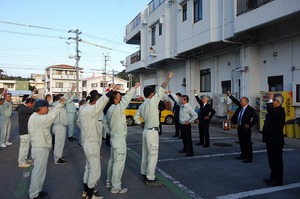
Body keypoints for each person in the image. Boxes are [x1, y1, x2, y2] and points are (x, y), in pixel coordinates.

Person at [80, 84, 120, 199]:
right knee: (95, 171)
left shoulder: (85, 109)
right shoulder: (91, 110)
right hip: (91, 143)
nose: (101, 107)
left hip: (88, 143)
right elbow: (101, 102)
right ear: (94, 102)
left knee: (88, 167)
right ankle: (90, 195)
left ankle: (86, 191)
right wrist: (111, 91)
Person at [134, 72, 173, 186]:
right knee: (152, 155)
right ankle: (150, 178)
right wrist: (168, 78)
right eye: (154, 93)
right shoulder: (153, 101)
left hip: (146, 131)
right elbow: (162, 87)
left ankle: (144, 172)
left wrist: (140, 123)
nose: (155, 94)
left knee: (145, 153)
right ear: (151, 94)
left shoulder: (142, 105)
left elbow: (136, 117)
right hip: (152, 132)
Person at [28, 98, 66, 199]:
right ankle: (33, 195)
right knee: (38, 172)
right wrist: (60, 105)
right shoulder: (38, 119)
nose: (48, 110)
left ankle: (37, 190)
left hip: (41, 147)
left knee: (40, 172)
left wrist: (59, 105)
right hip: (39, 148)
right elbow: (51, 117)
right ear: (41, 108)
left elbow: (50, 115)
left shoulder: (36, 116)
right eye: (46, 108)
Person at [106, 82, 140, 194]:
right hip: (119, 139)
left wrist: (110, 132)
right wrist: (134, 88)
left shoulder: (109, 110)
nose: (121, 100)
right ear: (115, 100)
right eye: (119, 98)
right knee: (118, 164)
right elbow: (127, 99)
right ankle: (116, 187)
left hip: (113, 137)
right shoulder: (117, 109)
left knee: (112, 161)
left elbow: (105, 124)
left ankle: (109, 181)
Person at [227, 91, 258, 163]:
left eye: (241, 101)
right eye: (240, 101)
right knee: (241, 142)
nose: (240, 102)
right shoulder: (241, 107)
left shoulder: (250, 109)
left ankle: (249, 157)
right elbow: (235, 101)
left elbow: (256, 117)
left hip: (246, 128)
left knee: (247, 143)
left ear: (245, 102)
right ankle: (243, 154)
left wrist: (250, 125)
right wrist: (230, 95)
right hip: (240, 127)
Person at [262, 93, 285, 186]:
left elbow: (271, 111)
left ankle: (278, 180)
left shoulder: (280, 111)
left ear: (278, 102)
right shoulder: (274, 111)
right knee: (272, 160)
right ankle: (273, 178)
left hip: (276, 140)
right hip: (270, 139)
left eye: (273, 101)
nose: (272, 103)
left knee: (277, 161)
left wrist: (270, 99)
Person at [168, 92, 198, 157]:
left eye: (182, 99)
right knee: (183, 138)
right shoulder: (181, 105)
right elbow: (176, 99)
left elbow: (195, 115)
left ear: (186, 100)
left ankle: (190, 152)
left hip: (186, 125)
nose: (181, 100)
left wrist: (190, 121)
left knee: (188, 139)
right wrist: (170, 93)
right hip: (181, 125)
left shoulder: (188, 107)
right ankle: (185, 149)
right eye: (181, 99)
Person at [17, 98, 37, 168]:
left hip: (26, 131)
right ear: (29, 103)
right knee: (24, 148)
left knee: (26, 147)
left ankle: (24, 159)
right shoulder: (23, 108)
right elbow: (33, 110)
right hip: (24, 131)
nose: (33, 106)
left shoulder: (24, 107)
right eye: (33, 104)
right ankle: (21, 162)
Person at [52, 93, 70, 165]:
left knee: (60, 143)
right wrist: (70, 91)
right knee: (58, 143)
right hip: (59, 126)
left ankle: (59, 156)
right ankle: (57, 158)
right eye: (62, 98)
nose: (64, 100)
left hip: (61, 126)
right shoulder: (56, 104)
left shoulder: (61, 105)